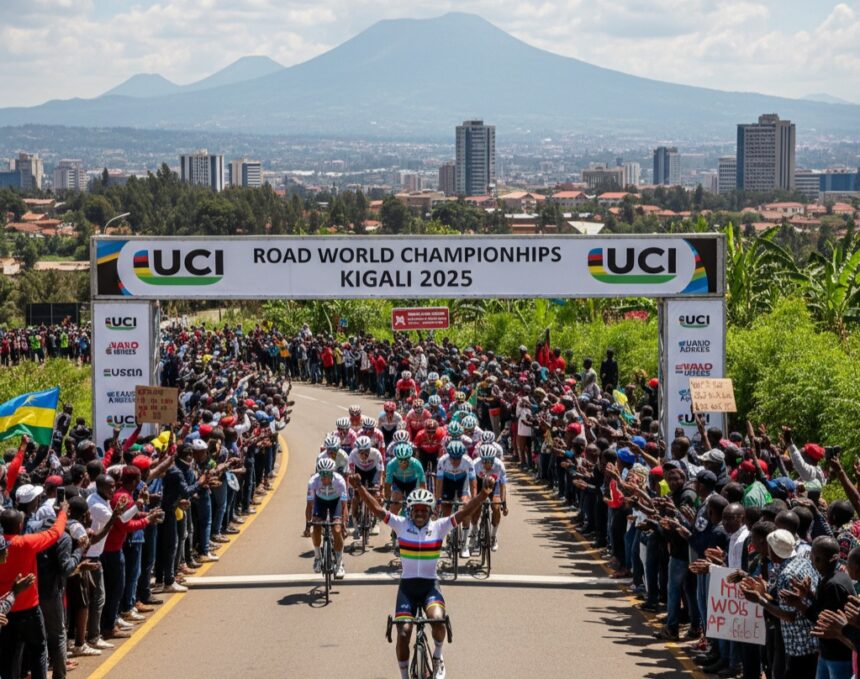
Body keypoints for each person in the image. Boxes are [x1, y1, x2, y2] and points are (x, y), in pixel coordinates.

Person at [349, 473, 497, 679]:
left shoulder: (439, 526)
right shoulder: (401, 524)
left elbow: (463, 513)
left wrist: (482, 495)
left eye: (423, 510)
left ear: (430, 512)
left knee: (437, 620)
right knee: (403, 632)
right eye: (416, 510)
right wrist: (360, 489)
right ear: (410, 511)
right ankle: (404, 676)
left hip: (430, 586)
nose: (419, 514)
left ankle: (437, 655)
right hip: (407, 588)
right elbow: (376, 509)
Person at [303, 457, 348, 578]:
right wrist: (308, 524)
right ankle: (317, 557)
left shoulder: (340, 481)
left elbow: (344, 506)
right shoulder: (313, 481)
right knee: (316, 527)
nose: (324, 478)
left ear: (332, 473)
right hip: (320, 502)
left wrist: (344, 524)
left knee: (337, 529)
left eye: (327, 474)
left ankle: (339, 564)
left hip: (336, 503)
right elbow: (309, 506)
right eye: (321, 474)